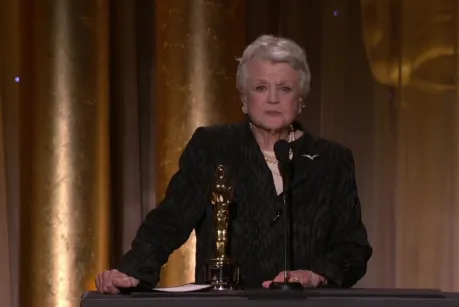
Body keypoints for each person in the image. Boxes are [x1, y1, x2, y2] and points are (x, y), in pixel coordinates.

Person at [95, 35, 373, 293]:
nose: (273, 98)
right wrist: (132, 270)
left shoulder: (332, 160)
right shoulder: (213, 146)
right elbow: (170, 220)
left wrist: (314, 275)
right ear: (243, 99)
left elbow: (353, 249)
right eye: (261, 87)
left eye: (285, 88)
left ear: (300, 100)